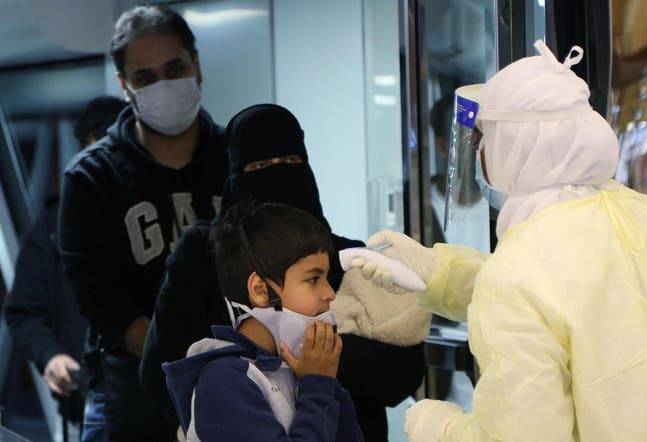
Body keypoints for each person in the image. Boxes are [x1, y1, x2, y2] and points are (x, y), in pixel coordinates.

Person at [353, 40, 647, 441]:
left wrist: (440, 427)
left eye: (486, 141)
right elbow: (571, 299)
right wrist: (437, 272)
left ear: (517, 148)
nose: (482, 155)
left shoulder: (521, 267)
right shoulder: (642, 214)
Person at [141, 104, 428, 441]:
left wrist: (322, 363)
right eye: (261, 165)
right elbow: (161, 370)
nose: (327, 295)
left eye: (292, 163)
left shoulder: (347, 255)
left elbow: (402, 372)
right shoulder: (203, 259)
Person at [58, 6, 228, 440]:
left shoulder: (239, 159)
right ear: (125, 86)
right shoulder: (91, 177)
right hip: (134, 393)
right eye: (146, 77)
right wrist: (180, 362)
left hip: (242, 381)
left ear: (197, 65)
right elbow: (100, 299)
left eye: (175, 69)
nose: (164, 85)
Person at [162, 202, 363, 441]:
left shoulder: (299, 371)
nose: (330, 293)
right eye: (313, 279)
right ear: (260, 290)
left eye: (327, 278)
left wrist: (328, 385)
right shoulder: (223, 382)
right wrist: (318, 385)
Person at [3, 96, 125, 440]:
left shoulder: (158, 218)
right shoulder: (56, 226)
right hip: (86, 400)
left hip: (160, 395)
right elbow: (23, 311)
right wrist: (51, 355)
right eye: (96, 158)